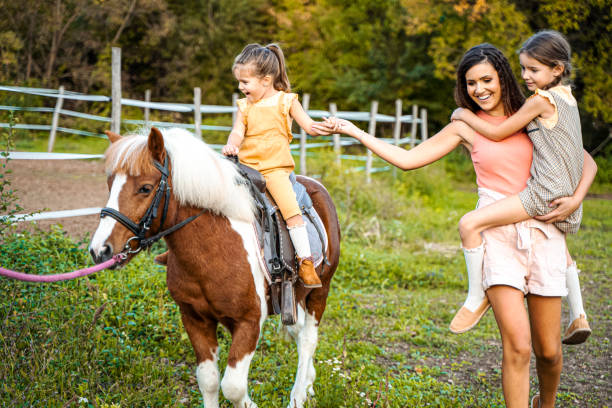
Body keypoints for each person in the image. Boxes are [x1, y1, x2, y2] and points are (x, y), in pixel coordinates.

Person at [315, 44, 597, 408]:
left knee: (549, 352)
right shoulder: (464, 125)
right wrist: (355, 131)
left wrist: (576, 200)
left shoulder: (532, 113)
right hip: (495, 235)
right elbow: (407, 158)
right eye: (470, 84)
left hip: (544, 233)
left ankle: (547, 402)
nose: (479, 89)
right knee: (518, 346)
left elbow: (584, 160)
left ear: (502, 77)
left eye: (486, 80)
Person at [450, 31, 591, 344]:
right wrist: (578, 198)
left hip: (542, 192)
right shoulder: (569, 99)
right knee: (557, 245)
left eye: (533, 69)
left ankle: (476, 296)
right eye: (524, 68)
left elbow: (497, 133)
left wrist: (462, 115)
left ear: (557, 69)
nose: (525, 76)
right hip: (565, 195)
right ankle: (579, 313)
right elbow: (585, 159)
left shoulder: (541, 101)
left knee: (470, 222)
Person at [221, 42, 332, 288]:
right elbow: (237, 132)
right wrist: (232, 145)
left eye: (245, 82)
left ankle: (304, 260)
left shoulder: (286, 101)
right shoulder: (244, 106)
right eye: (239, 82)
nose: (240, 87)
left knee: (290, 211)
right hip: (246, 167)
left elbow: (309, 126)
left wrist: (324, 128)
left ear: (266, 80)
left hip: (273, 170)